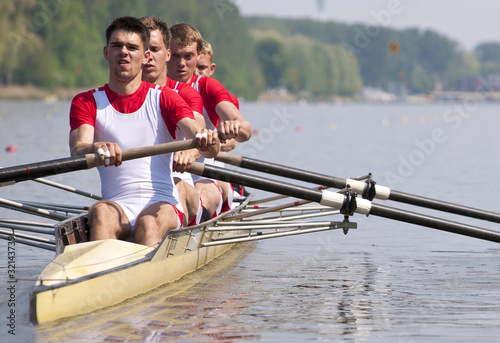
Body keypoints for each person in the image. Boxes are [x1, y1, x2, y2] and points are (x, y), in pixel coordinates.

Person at [69, 17, 219, 247]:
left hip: (163, 203)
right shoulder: (86, 101)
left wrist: (207, 139)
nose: (124, 53)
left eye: (132, 48)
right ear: (106, 52)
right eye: (117, 46)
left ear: (145, 55)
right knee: (99, 212)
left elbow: (198, 135)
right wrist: (94, 148)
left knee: (148, 223)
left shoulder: (164, 98)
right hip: (117, 205)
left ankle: (140, 275)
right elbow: (78, 149)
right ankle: (101, 275)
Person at [167, 23, 252, 218]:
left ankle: (194, 224)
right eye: (176, 55)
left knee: (197, 192)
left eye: (188, 56)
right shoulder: (152, 89)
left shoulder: (207, 87)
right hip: (165, 177)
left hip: (207, 176)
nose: (181, 63)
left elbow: (244, 130)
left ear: (197, 57)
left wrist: (235, 128)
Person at [140, 15, 205, 226]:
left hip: (179, 179)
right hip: (135, 187)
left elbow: (199, 132)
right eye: (143, 49)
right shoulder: (114, 97)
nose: (148, 56)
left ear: (165, 55)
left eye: (154, 50)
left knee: (177, 187)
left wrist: (190, 151)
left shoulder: (184, 94)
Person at [195, 39, 240, 211]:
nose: (197, 73)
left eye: (202, 68)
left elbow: (232, 142)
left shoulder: (219, 98)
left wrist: (209, 143)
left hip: (212, 176)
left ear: (211, 69)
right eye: (195, 67)